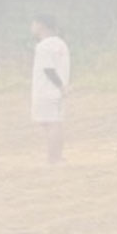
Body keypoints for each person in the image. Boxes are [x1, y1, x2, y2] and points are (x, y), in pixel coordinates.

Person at [31, 15, 70, 164]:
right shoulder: (61, 44)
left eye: (34, 24)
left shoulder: (43, 46)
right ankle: (57, 156)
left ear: (41, 25)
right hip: (56, 91)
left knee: (51, 124)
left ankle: (54, 158)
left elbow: (48, 69)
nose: (32, 27)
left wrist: (60, 85)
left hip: (46, 90)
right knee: (55, 122)